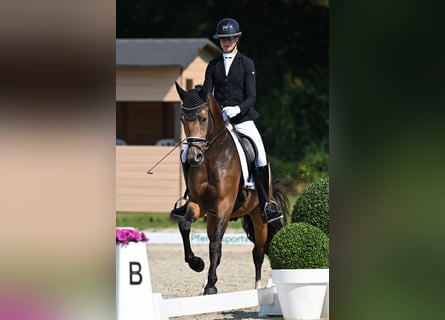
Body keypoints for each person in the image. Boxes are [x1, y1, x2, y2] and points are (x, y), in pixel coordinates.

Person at [171, 18, 282, 223]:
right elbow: (206, 92)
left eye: (230, 38)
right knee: (187, 152)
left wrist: (237, 109)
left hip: (243, 120)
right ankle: (189, 197)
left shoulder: (246, 64)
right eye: (223, 39)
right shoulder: (213, 65)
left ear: (237, 39)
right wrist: (195, 98)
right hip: (219, 121)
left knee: (260, 155)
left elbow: (252, 96)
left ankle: (266, 203)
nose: (227, 42)